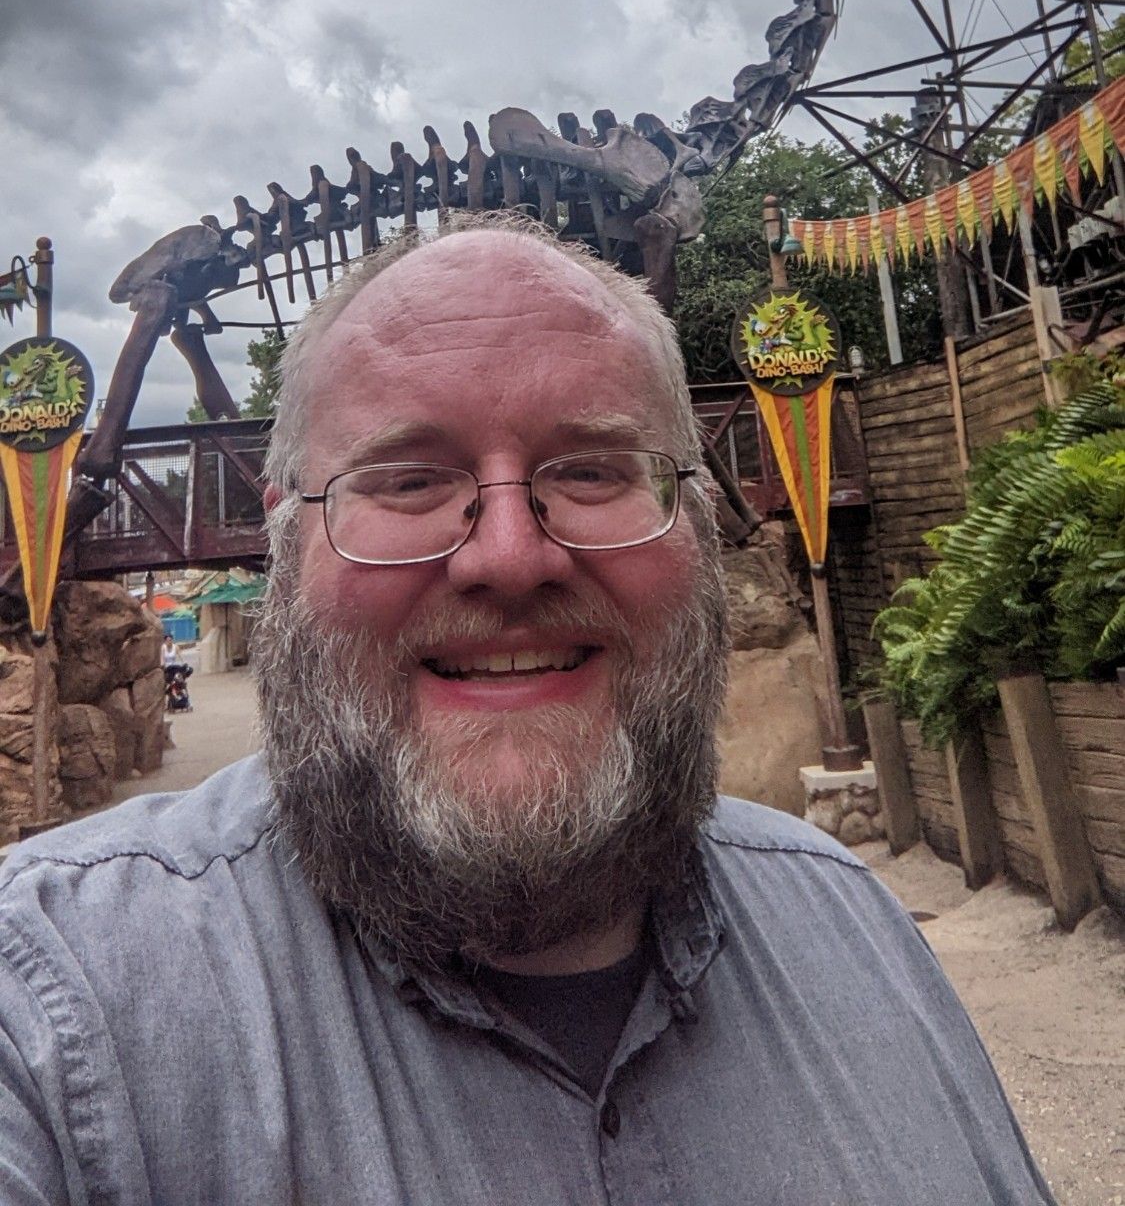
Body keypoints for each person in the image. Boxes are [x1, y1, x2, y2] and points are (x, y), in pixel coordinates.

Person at [0, 221, 1053, 1205]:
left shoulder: (858, 924)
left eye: (593, 468)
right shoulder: (50, 1002)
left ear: (694, 521)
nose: (508, 556)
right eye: (407, 479)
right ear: (284, 547)